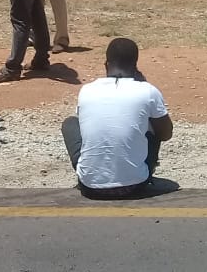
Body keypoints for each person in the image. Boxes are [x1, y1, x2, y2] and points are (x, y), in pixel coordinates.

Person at [61, 38, 174, 200]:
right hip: (135, 186)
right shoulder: (148, 91)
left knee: (70, 123)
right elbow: (166, 134)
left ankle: (91, 170)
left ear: (106, 64)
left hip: (90, 187)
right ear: (135, 66)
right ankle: (137, 169)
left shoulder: (86, 91)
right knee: (152, 122)